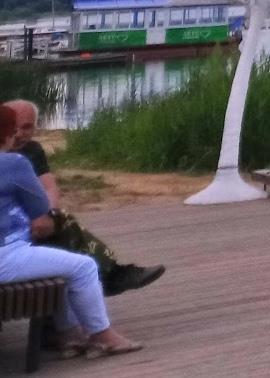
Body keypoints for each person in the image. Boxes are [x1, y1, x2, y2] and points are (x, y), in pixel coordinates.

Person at [1, 101, 164, 297]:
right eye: (14, 128)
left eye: (27, 127)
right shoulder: (11, 159)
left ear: (35, 128)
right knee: (64, 225)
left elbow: (49, 185)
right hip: (9, 226)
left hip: (25, 217)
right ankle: (109, 276)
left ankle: (104, 274)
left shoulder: (32, 150)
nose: (19, 133)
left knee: (58, 220)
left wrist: (47, 213)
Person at [0, 137, 141, 357]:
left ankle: (69, 335)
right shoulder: (12, 163)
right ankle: (103, 337)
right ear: (7, 135)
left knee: (57, 264)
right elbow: (41, 208)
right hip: (5, 256)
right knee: (83, 267)